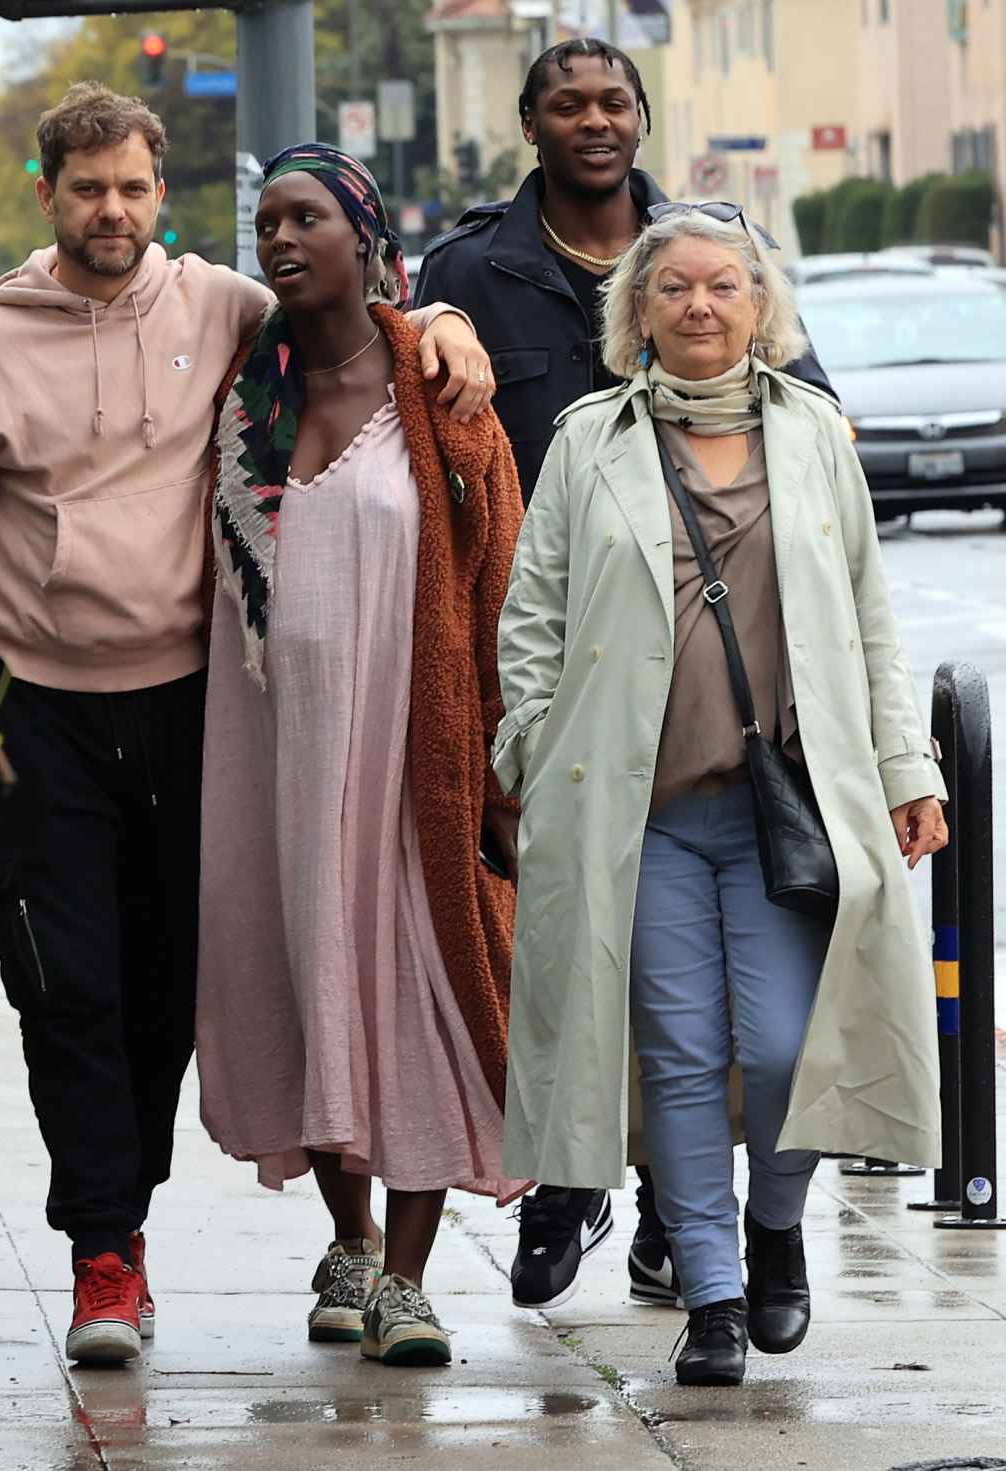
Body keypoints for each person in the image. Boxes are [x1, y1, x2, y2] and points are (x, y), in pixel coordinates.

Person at [0, 83, 495, 1368]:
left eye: (134, 188)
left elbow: (348, 311)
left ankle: (133, 1214)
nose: (112, 210)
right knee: (66, 987)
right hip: (34, 711)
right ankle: (105, 1252)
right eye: (87, 188)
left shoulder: (220, 307)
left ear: (163, 196)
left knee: (167, 991)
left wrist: (445, 317)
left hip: (193, 712)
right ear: (47, 196)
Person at [493, 202, 948, 1387]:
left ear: (761, 307)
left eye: (724, 286)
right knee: (684, 1056)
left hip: (782, 808)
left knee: (795, 1044)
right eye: (674, 288)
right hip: (634, 815)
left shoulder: (816, 438)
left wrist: (907, 767)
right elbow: (530, 622)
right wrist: (535, 749)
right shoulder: (590, 441)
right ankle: (713, 1295)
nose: (700, 305)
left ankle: (777, 1225)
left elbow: (869, 622)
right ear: (636, 312)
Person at [417, 34, 835, 1317]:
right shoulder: (471, 269)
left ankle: (682, 1225)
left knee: (723, 1014)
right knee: (586, 964)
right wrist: (426, 314)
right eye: (567, 104)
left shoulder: (706, 253)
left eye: (614, 101)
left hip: (717, 688)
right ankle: (570, 1187)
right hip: (556, 658)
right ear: (530, 124)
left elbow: (806, 409)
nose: (594, 121)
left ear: (642, 118)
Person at [194, 144, 526, 1368]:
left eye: (308, 219)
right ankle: (347, 1238)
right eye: (266, 221)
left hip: (410, 763)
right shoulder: (239, 393)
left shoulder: (439, 393)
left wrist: (504, 763)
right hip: (274, 764)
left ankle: (408, 1275)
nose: (282, 240)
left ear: (367, 238)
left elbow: (504, 584)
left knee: (419, 994)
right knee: (306, 984)